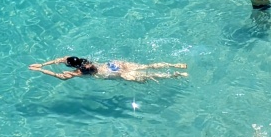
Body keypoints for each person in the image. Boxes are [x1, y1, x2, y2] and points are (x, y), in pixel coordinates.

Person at [29, 56, 188, 82]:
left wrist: (41, 70)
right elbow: (61, 59)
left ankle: (176, 74)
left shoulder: (77, 72)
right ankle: (175, 65)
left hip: (115, 73)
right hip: (113, 64)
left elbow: (59, 76)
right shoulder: (81, 60)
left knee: (149, 77)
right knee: (145, 66)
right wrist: (42, 64)